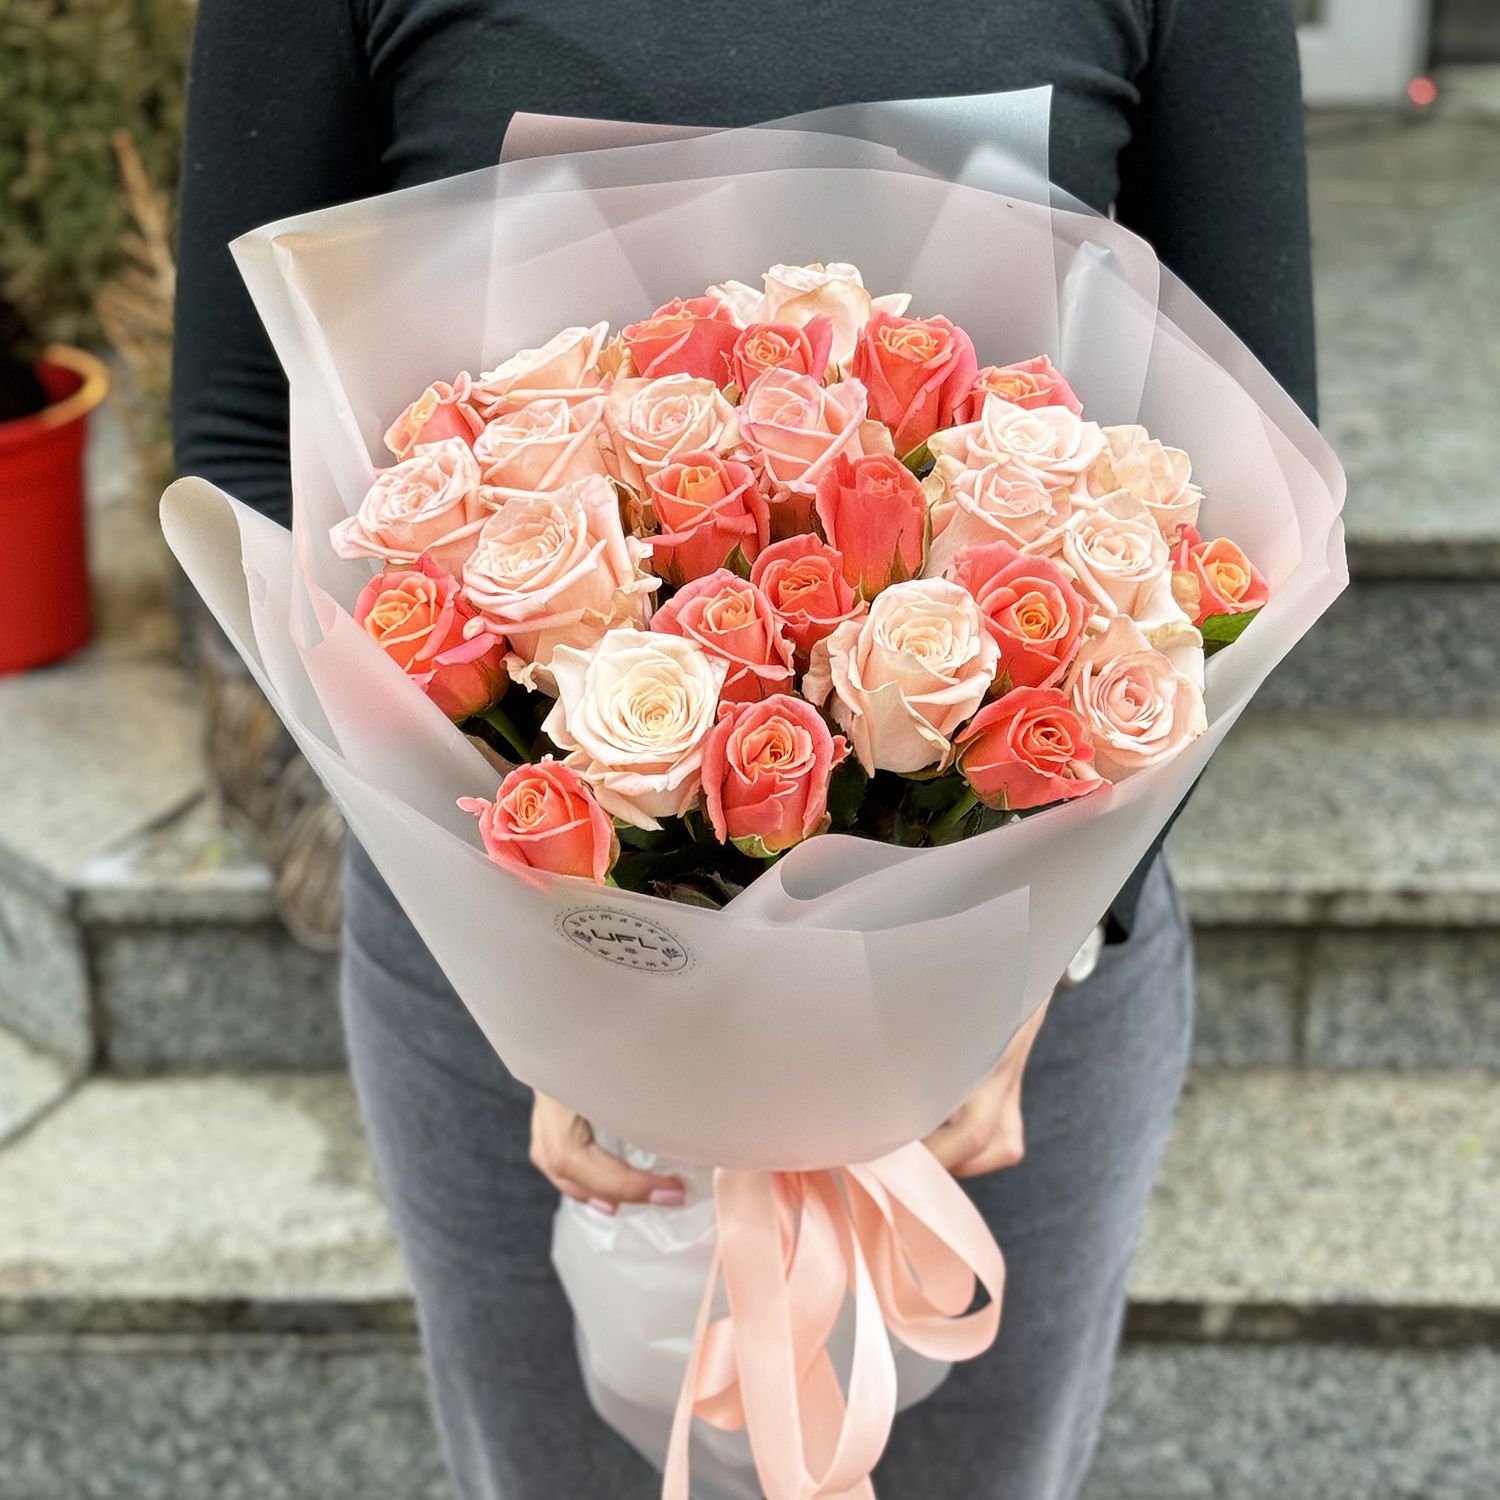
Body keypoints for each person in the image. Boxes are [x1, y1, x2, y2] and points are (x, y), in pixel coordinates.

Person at [173, 3, 1315, 1495]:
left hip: (1021, 989)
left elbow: (1258, 463)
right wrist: (553, 970)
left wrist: (1029, 967)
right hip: (498, 969)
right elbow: (243, 433)